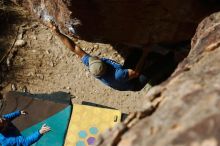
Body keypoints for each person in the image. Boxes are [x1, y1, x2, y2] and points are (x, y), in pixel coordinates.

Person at [48, 22, 149, 91]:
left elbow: (74, 48)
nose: (94, 56)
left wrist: (57, 33)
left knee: (136, 52)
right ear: (105, 64)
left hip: (123, 77)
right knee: (155, 66)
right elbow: (135, 73)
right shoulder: (118, 74)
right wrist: (145, 54)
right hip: (134, 84)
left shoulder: (92, 65)